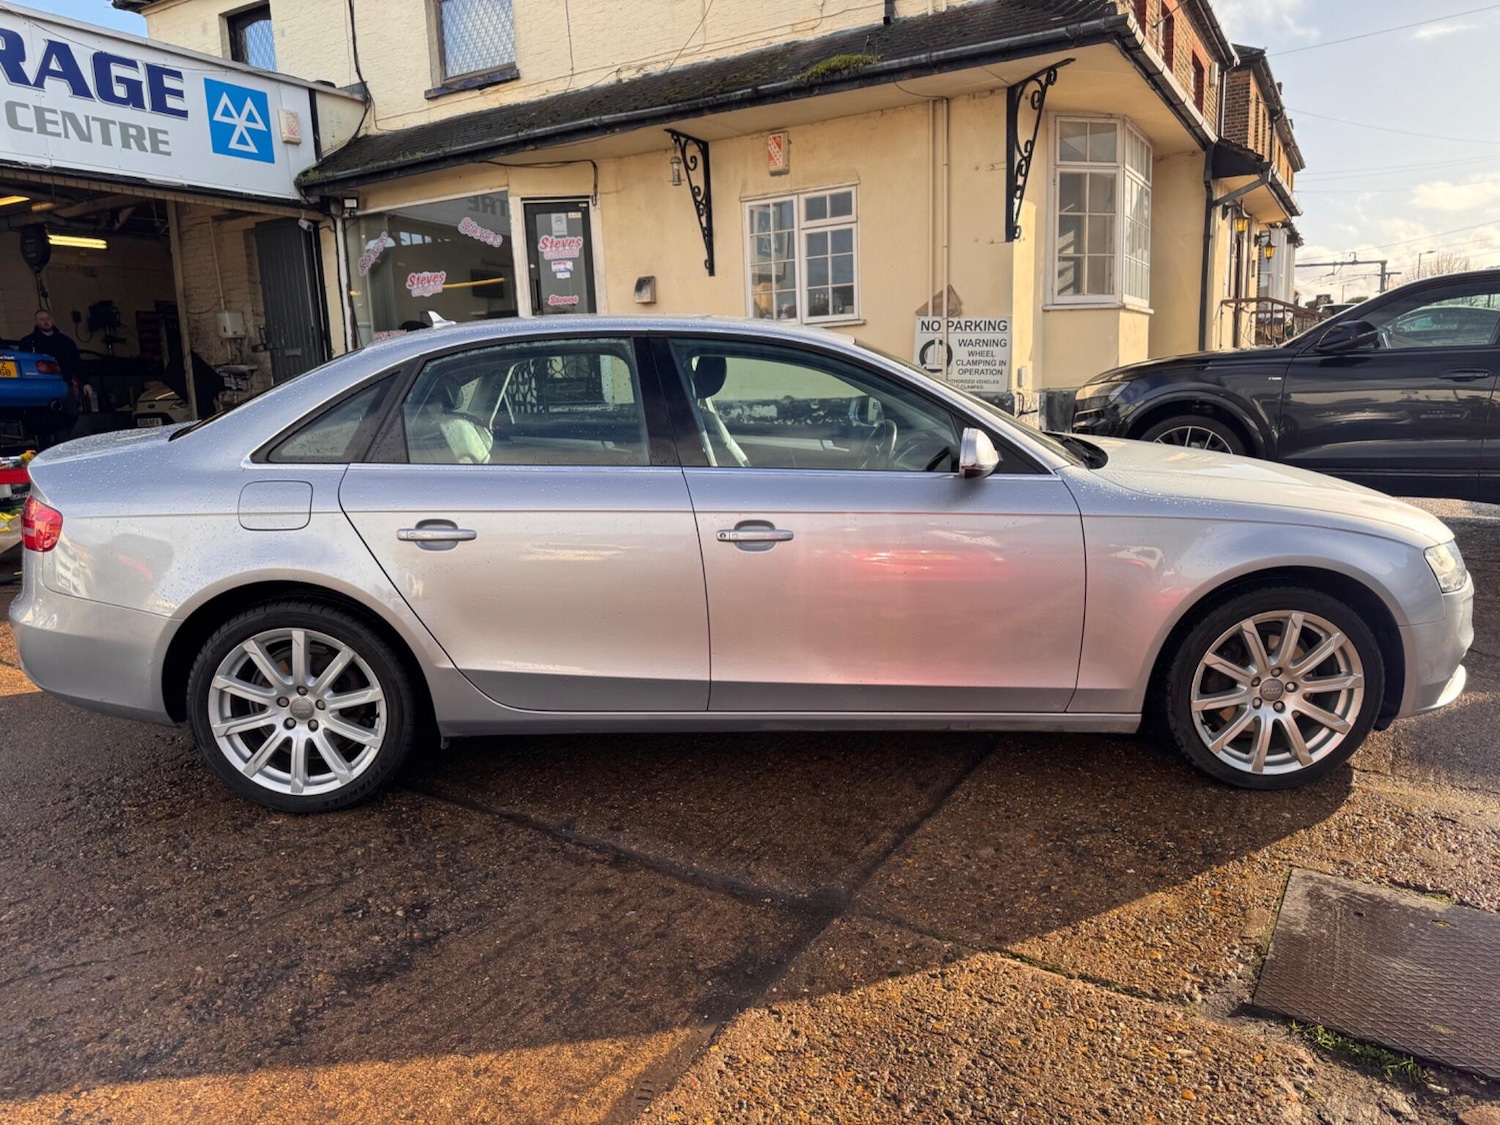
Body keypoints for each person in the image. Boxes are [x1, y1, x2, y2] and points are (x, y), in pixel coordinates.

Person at [18, 309, 82, 378]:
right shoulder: (28, 342)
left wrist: (85, 382)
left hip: (63, 380)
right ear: (36, 322)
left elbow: (76, 362)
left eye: (48, 318)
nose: (46, 321)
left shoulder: (65, 341)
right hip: (39, 380)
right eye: (42, 319)